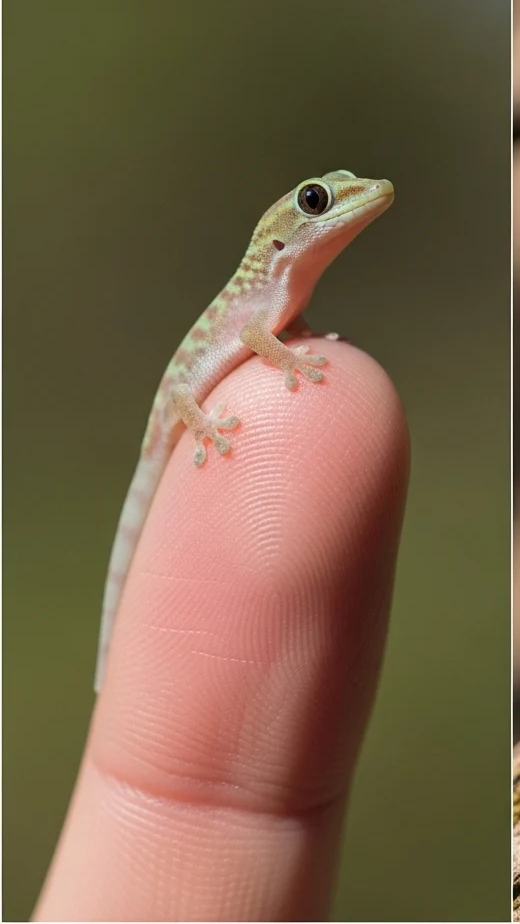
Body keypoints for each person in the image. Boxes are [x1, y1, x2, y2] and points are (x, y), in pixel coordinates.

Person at [35, 341, 409, 920]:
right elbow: (261, 338)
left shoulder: (282, 293)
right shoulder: (265, 299)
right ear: (281, 240)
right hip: (184, 402)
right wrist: (279, 368)